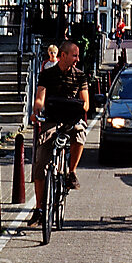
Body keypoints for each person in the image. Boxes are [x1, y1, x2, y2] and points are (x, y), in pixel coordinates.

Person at [27, 40, 89, 228]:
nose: (77, 59)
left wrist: (81, 109)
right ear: (63, 55)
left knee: (80, 132)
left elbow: (85, 101)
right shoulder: (47, 74)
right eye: (74, 55)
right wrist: (36, 111)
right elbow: (40, 98)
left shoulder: (80, 76)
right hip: (52, 120)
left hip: (71, 120)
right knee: (40, 162)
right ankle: (39, 209)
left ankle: (71, 172)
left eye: (78, 55)